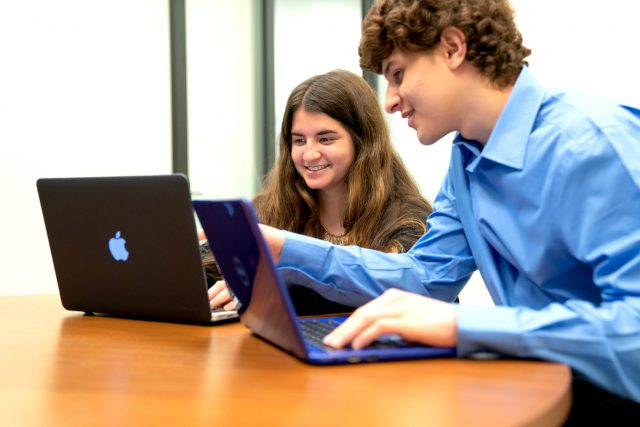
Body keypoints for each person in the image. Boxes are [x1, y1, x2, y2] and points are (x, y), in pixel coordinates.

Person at [254, 0, 640, 420]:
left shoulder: (593, 145)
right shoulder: (467, 160)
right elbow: (426, 277)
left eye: (398, 74)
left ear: (453, 48)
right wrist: (286, 250)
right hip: (548, 385)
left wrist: (461, 325)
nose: (390, 101)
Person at [202, 69, 432, 315]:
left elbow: (402, 297)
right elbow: (207, 275)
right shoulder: (268, 208)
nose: (309, 155)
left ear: (362, 141)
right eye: (299, 141)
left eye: (325, 139)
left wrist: (272, 285)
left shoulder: (409, 219)